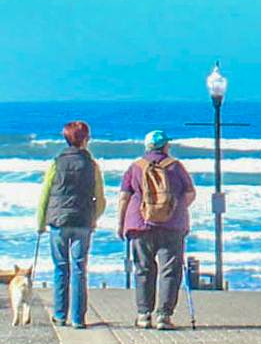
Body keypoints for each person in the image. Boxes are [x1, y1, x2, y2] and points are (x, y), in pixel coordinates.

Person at [118, 130, 197, 327]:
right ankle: (164, 315)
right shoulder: (175, 167)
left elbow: (124, 197)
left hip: (139, 224)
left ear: (147, 146)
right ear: (166, 146)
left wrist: (121, 223)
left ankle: (144, 314)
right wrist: (174, 209)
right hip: (172, 225)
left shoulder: (135, 167)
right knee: (170, 270)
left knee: (143, 269)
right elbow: (190, 194)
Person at [38, 120, 103, 327]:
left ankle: (59, 315)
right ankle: (78, 318)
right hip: (82, 222)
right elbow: (100, 198)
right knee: (79, 269)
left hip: (58, 222)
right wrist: (94, 217)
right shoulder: (92, 165)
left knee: (61, 268)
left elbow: (45, 194)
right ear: (85, 139)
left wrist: (41, 222)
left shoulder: (56, 163)